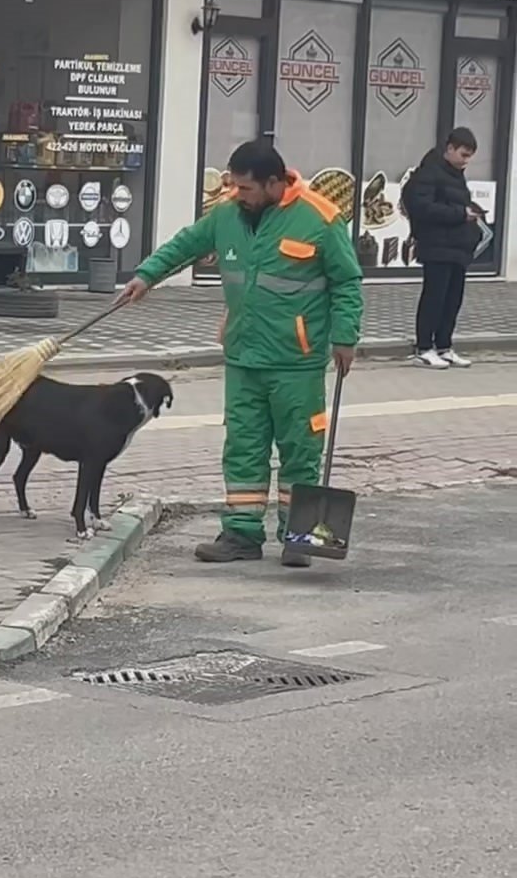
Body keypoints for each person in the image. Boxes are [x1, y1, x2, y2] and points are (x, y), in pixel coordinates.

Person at [122, 141, 363, 567]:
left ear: (274, 182)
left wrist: (345, 337)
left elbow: (346, 283)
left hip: (296, 361)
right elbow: (184, 246)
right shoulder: (227, 214)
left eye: (247, 189)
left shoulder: (320, 219)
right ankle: (241, 534)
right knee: (244, 446)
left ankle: (299, 534)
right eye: (234, 186)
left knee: (299, 447)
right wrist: (146, 276)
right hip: (243, 356)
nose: (238, 195)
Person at [402, 127, 482, 370]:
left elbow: (457, 201)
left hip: (457, 246)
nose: (466, 161)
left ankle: (444, 346)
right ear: (449, 149)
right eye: (463, 154)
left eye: (470, 156)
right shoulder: (429, 172)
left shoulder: (457, 175)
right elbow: (422, 206)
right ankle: (424, 347)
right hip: (436, 245)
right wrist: (460, 214)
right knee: (434, 297)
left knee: (452, 299)